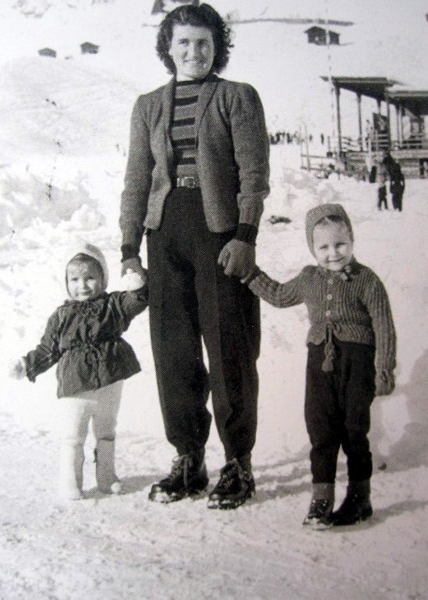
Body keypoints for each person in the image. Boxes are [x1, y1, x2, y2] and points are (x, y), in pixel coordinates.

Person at [119, 3, 270, 509]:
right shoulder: (147, 105)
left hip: (220, 235)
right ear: (167, 46)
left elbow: (253, 173)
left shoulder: (237, 98)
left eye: (203, 42)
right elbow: (137, 180)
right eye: (183, 42)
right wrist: (129, 247)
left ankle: (237, 464)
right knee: (174, 351)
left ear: (217, 47)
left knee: (229, 349)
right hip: (165, 236)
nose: (193, 51)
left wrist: (245, 236)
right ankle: (189, 458)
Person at [242, 203, 397, 529]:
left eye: (340, 244)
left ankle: (359, 499)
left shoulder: (366, 280)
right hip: (319, 363)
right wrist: (250, 274)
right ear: (312, 248)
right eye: (323, 247)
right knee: (320, 428)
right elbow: (281, 295)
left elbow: (383, 324)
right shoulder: (309, 278)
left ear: (352, 240)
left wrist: (383, 368)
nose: (333, 253)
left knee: (355, 430)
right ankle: (321, 499)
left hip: (357, 363)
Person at [9, 242, 147, 500]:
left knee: (106, 431)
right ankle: (70, 482)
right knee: (74, 434)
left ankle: (107, 477)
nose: (82, 285)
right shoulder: (61, 316)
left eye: (90, 278)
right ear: (66, 282)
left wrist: (136, 286)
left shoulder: (112, 305)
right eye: (74, 279)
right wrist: (27, 364)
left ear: (102, 279)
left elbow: (135, 303)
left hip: (110, 380)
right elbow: (48, 349)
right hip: (76, 383)